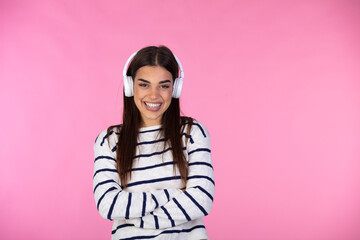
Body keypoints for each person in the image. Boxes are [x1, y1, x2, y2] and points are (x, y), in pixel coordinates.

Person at [93, 45, 215, 240]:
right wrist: (172, 194)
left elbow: (201, 201)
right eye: (144, 84)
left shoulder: (192, 133)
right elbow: (108, 205)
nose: (153, 95)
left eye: (164, 86)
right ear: (130, 86)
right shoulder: (109, 141)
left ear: (175, 89)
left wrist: (137, 219)